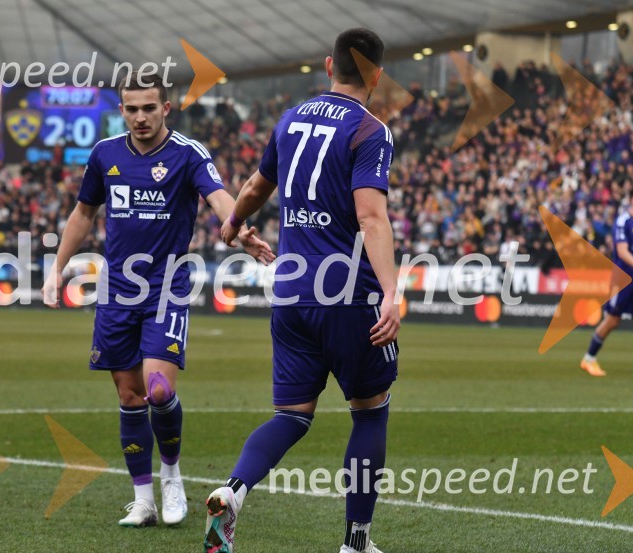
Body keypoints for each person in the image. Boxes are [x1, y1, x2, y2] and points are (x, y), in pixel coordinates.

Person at [43, 72, 274, 528]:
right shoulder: (105, 154)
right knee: (129, 396)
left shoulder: (187, 154)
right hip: (117, 291)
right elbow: (83, 213)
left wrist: (241, 229)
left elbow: (219, 196)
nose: (140, 117)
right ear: (122, 111)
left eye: (149, 107)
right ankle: (142, 499)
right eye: (132, 109)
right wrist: (56, 268)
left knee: (158, 389)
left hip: (167, 286)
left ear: (166, 108)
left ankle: (171, 478)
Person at [204, 28, 399, 553]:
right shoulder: (369, 130)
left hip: (289, 291)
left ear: (328, 65)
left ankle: (233, 490)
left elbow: (252, 190)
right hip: (345, 295)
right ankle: (356, 541)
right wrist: (392, 293)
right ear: (377, 75)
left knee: (291, 415)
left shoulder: (292, 118)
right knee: (370, 409)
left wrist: (233, 225)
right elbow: (372, 216)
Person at [581, 185, 633, 378]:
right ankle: (588, 359)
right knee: (612, 321)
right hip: (622, 279)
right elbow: (622, 252)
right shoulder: (623, 221)